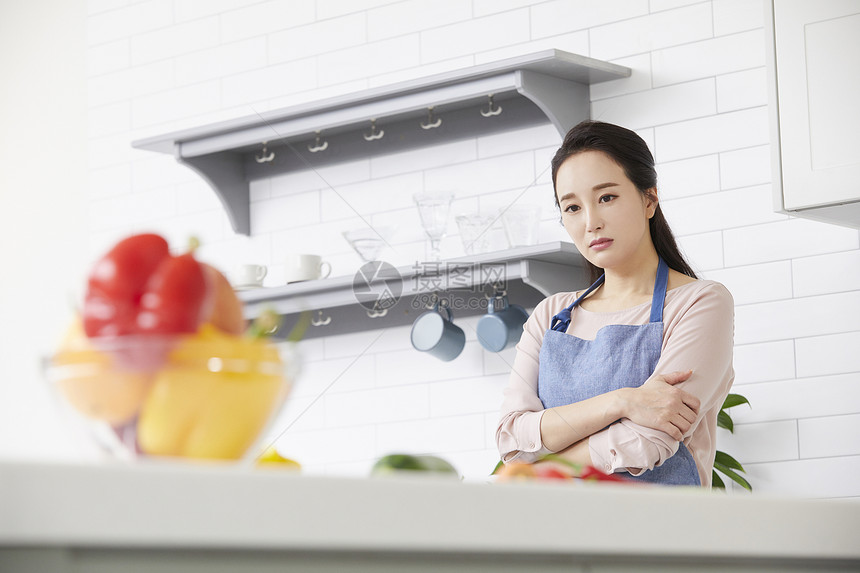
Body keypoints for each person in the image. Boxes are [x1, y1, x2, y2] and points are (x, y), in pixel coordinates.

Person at [495, 120, 734, 487]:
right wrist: (622, 401)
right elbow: (512, 436)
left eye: (607, 197)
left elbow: (647, 441)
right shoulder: (550, 315)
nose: (591, 222)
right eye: (572, 207)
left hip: (659, 534)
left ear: (649, 199)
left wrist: (538, 470)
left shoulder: (699, 303)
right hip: (554, 534)